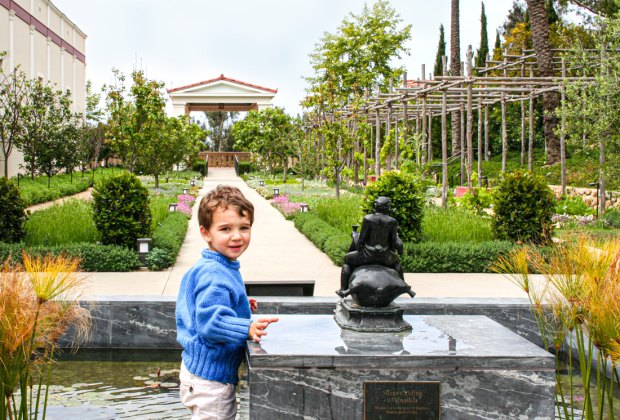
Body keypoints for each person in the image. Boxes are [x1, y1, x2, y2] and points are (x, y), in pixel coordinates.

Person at [176, 185, 278, 420]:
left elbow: (202, 303)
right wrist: (247, 327)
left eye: (244, 228)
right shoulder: (215, 273)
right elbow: (210, 323)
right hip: (211, 381)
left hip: (201, 374)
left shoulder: (216, 265)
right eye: (225, 229)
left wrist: (239, 303)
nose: (236, 236)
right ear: (206, 232)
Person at [337, 196, 404, 297]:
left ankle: (343, 289)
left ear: (376, 206)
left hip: (366, 256)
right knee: (397, 263)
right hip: (385, 257)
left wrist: (355, 237)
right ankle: (403, 284)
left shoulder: (368, 219)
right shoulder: (392, 221)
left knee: (347, 259)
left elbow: (361, 241)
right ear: (388, 207)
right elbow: (393, 243)